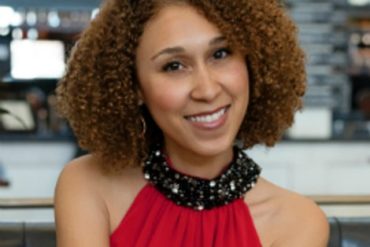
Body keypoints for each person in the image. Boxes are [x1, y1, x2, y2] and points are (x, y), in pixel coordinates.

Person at [54, 0, 329, 246]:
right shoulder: (87, 185)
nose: (207, 90)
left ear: (253, 62)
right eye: (174, 66)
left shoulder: (299, 222)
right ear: (133, 86)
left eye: (220, 54)